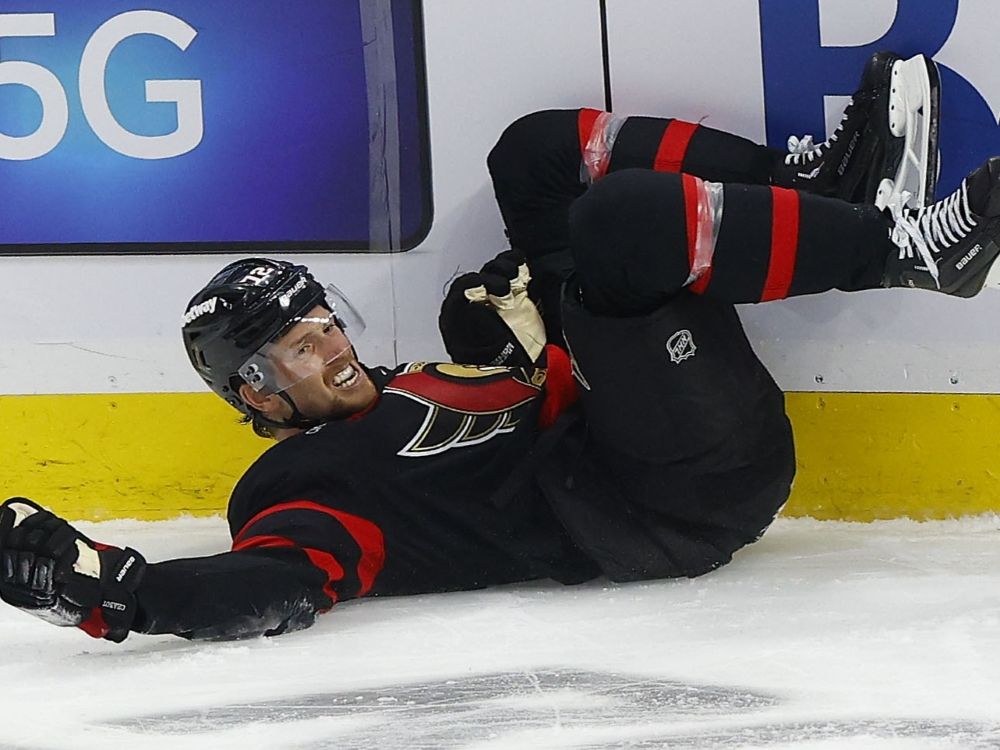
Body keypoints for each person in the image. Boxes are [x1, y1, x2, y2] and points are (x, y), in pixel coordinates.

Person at [1, 52, 995, 643]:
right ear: (255, 400)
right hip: (665, 501)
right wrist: (119, 594)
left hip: (636, 425)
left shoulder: (418, 374)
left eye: (319, 320)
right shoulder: (299, 490)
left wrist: (531, 346)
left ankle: (821, 192)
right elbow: (273, 583)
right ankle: (905, 251)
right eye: (291, 351)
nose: (328, 345)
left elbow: (509, 410)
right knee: (615, 227)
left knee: (533, 157)